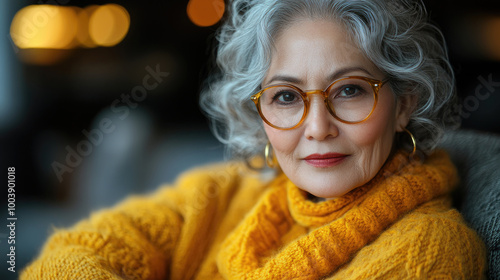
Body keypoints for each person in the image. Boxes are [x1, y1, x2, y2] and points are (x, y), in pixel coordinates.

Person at [22, 0, 487, 279]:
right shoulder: (226, 194)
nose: (317, 126)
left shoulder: (429, 252)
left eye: (349, 90)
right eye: (286, 96)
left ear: (403, 103)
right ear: (258, 110)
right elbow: (73, 254)